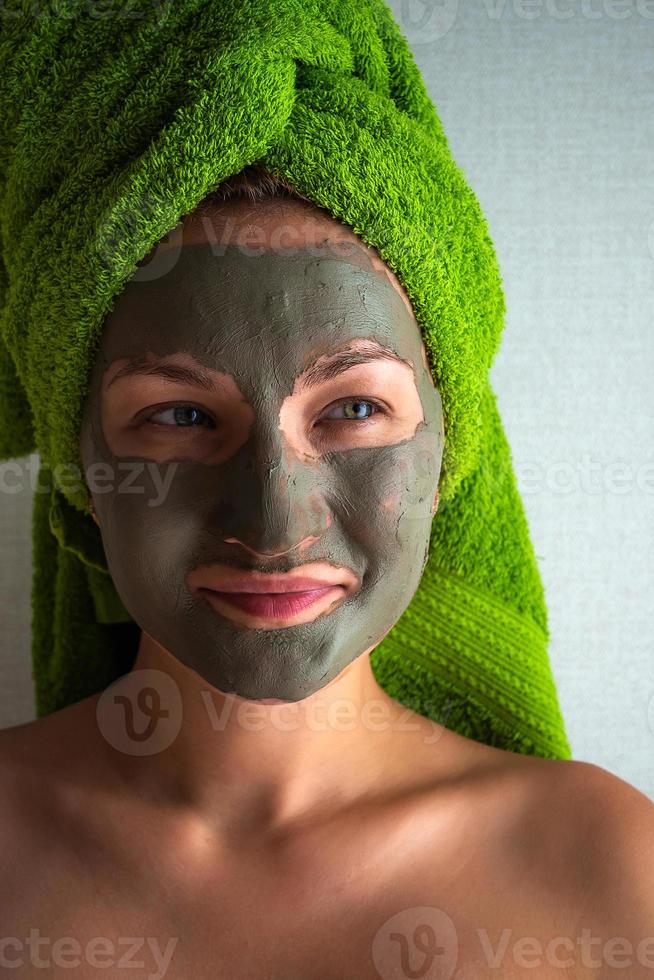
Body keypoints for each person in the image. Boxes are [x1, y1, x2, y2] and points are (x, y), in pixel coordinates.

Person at [2, 171, 654, 980]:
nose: (276, 526)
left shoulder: (615, 870)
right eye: (180, 415)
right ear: (84, 475)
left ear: (447, 460)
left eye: (351, 410)